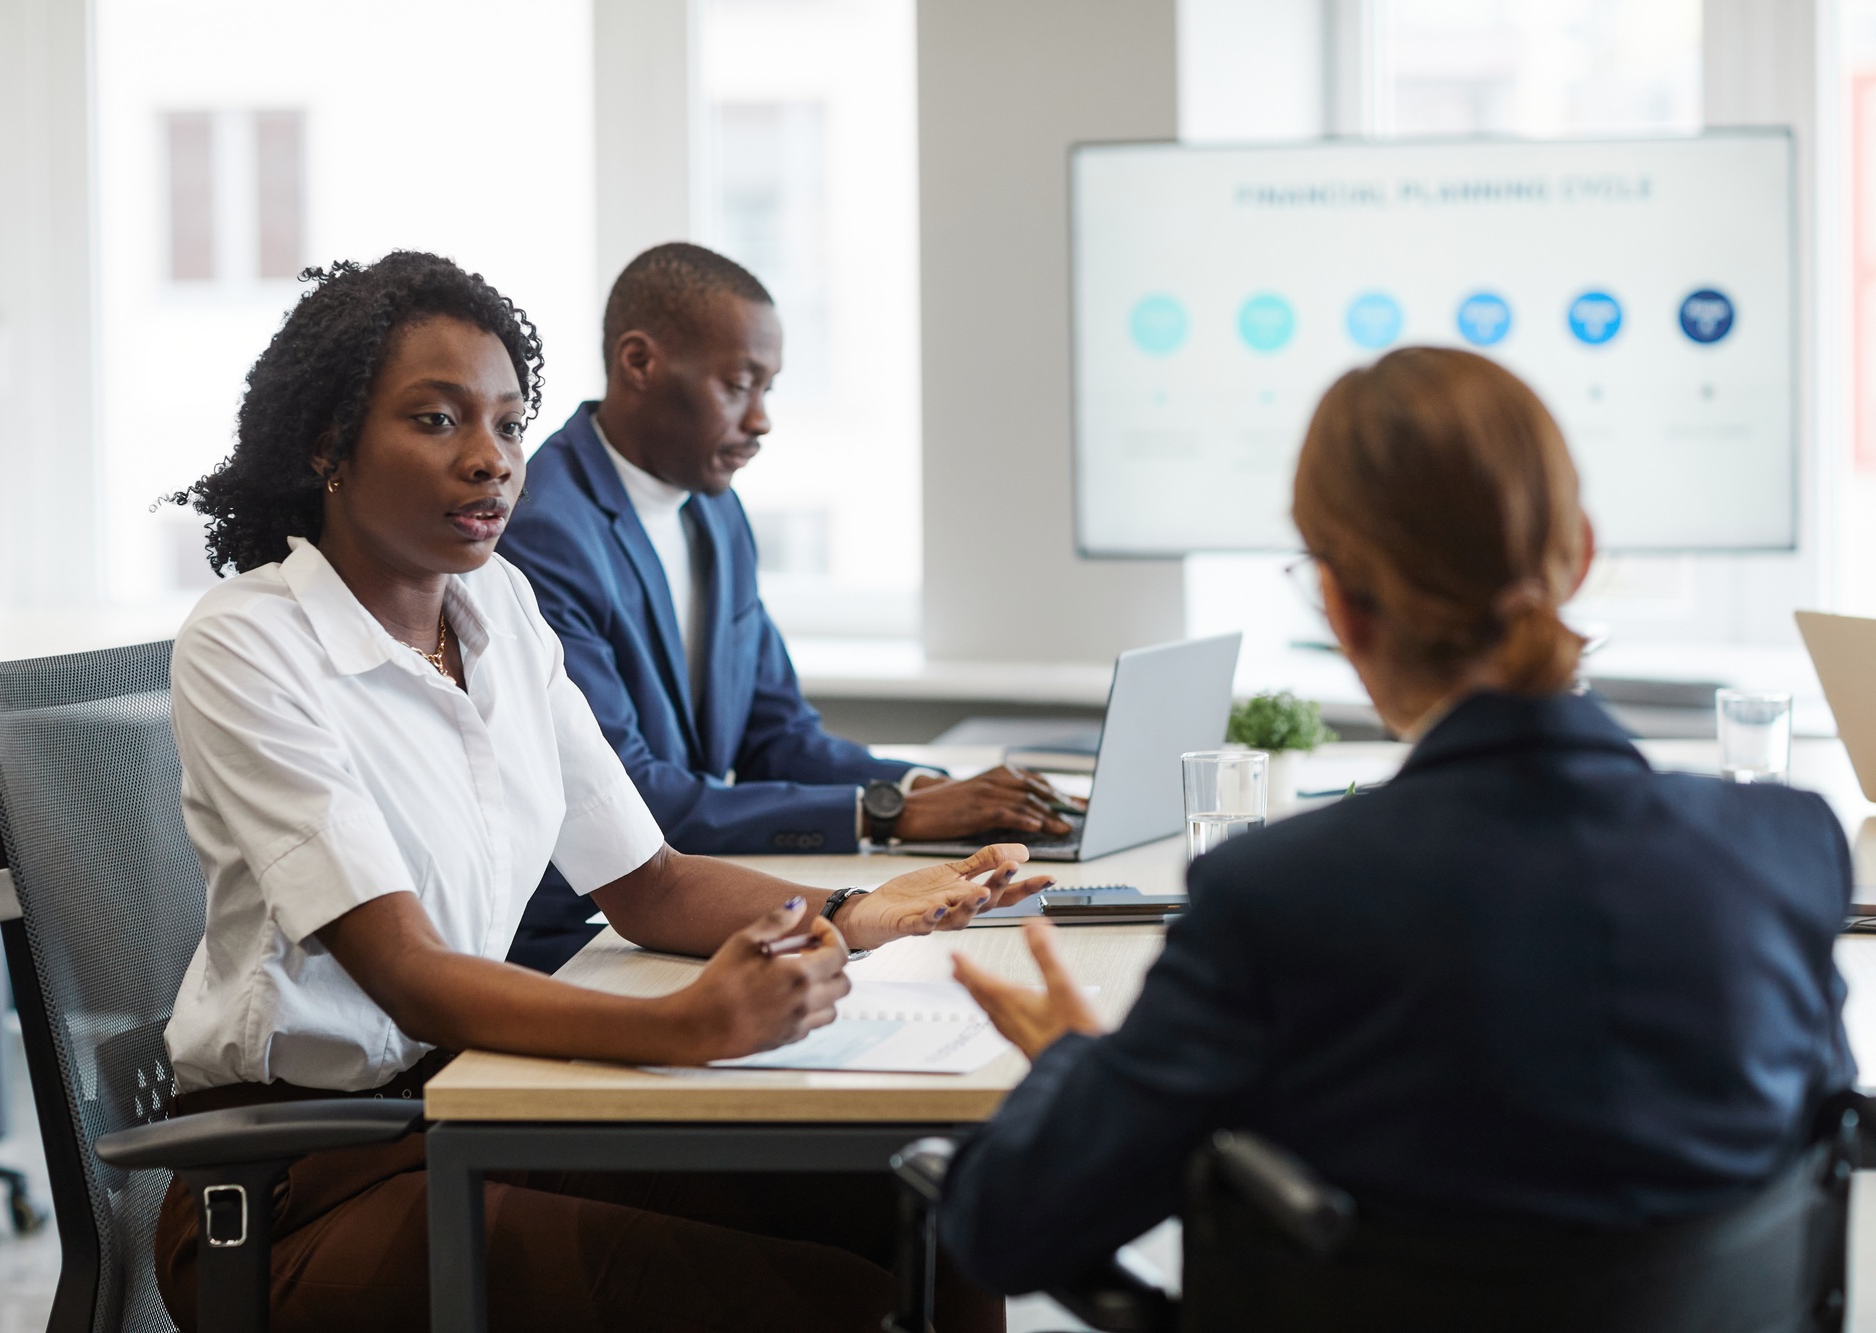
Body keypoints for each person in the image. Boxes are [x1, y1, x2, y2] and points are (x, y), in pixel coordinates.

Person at [156, 251, 1034, 1333]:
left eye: (509, 425)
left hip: (477, 1108)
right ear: (328, 444)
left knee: (929, 1213)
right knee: (832, 1306)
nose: (490, 462)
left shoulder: (498, 611)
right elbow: (409, 974)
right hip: (303, 1186)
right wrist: (684, 1027)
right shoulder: (251, 642)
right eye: (437, 423)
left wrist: (853, 916)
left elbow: (648, 881)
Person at [937, 346, 1855, 1299]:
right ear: (1579, 553)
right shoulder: (1784, 848)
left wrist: (1074, 1072)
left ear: (1340, 603)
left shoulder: (1278, 898)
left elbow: (1003, 1230)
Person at [497, 242, 1080, 971]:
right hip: (584, 938)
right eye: (740, 384)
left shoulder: (715, 512)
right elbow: (636, 793)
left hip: (689, 911)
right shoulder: (544, 526)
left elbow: (778, 734)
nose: (763, 419)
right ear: (639, 363)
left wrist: (924, 788)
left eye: (769, 387)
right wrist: (886, 815)